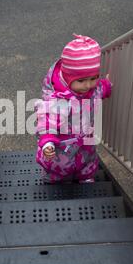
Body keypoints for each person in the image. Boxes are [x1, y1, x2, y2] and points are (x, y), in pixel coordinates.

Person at [35, 34, 112, 184]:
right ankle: (54, 180)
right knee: (58, 169)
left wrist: (108, 86)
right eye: (81, 80)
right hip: (61, 148)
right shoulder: (58, 99)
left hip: (85, 145)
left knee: (87, 163)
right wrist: (47, 142)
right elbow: (46, 122)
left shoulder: (93, 89)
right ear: (68, 78)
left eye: (93, 78)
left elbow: (100, 89)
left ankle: (85, 177)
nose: (88, 85)